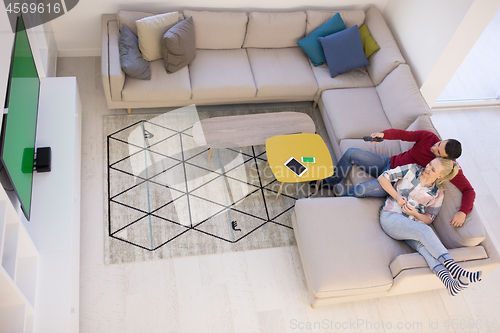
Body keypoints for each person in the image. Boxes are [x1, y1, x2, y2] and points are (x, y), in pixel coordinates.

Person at [317, 129, 475, 227]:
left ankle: (333, 208)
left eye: (438, 151)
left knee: (361, 189)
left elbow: (468, 190)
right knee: (352, 152)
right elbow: (403, 134)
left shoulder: (444, 167)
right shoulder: (429, 137)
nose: (434, 147)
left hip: (394, 183)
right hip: (387, 163)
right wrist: (383, 134)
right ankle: (330, 182)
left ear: (446, 159)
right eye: (439, 143)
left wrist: (463, 212)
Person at [377, 157, 482, 296]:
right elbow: (382, 178)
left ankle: (449, 283)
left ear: (440, 176)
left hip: (412, 226)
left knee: (423, 247)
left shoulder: (437, 193)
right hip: (391, 217)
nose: (427, 168)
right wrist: (397, 197)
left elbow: (428, 219)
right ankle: (455, 268)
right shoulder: (411, 169)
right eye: (429, 164)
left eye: (432, 169)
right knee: (424, 231)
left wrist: (416, 214)